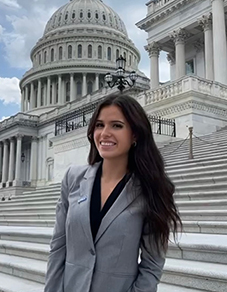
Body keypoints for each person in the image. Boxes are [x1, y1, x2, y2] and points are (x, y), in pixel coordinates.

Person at [44, 93, 181, 292]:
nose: (105, 133)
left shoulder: (150, 189)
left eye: (116, 125)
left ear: (134, 134)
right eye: (99, 125)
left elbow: (152, 266)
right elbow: (58, 248)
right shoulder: (73, 178)